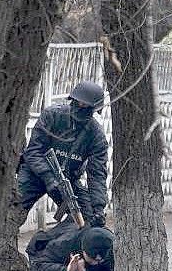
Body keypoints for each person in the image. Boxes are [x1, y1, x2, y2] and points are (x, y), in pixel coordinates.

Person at [16, 80, 109, 228]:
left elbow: (97, 174)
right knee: (12, 209)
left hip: (67, 181)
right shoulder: (52, 115)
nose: (80, 107)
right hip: (35, 174)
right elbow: (33, 151)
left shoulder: (96, 135)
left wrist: (98, 208)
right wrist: (49, 178)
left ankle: (60, 246)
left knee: (89, 219)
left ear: (93, 109)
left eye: (85, 106)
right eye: (78, 103)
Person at [26, 218, 114, 271]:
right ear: (83, 250)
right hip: (42, 251)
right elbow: (38, 266)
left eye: (100, 260)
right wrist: (65, 270)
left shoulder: (112, 246)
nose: (96, 262)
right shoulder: (64, 244)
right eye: (93, 259)